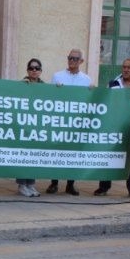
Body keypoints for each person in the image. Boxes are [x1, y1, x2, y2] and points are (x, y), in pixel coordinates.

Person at [93, 58, 130, 199]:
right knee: (109, 156)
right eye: (124, 67)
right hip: (114, 127)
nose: (126, 70)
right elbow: (104, 101)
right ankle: (104, 187)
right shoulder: (113, 84)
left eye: (129, 67)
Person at [47, 48, 92, 196]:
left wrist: (93, 91)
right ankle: (54, 183)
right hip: (60, 121)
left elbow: (89, 101)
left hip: (76, 123)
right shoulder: (57, 76)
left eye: (74, 59)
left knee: (74, 153)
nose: (71, 61)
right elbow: (49, 97)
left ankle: (70, 184)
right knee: (57, 152)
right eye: (69, 58)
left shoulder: (86, 79)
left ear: (81, 61)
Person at [16, 58, 45, 197]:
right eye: (32, 68)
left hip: (37, 128)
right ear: (28, 70)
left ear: (40, 71)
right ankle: (22, 184)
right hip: (24, 127)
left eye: (37, 68)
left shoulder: (45, 86)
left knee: (34, 155)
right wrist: (21, 86)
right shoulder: (22, 84)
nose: (34, 70)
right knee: (23, 155)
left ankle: (31, 184)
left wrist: (58, 88)